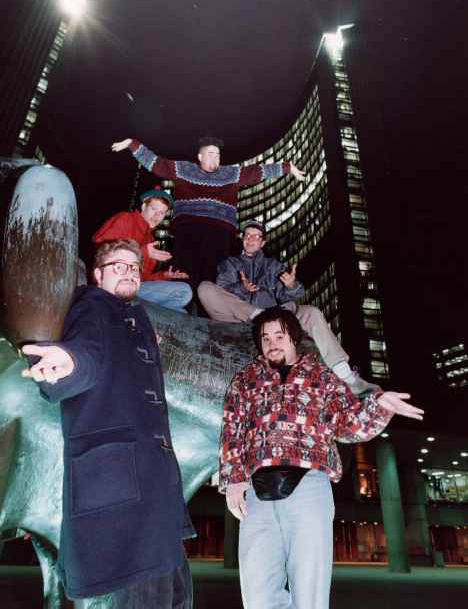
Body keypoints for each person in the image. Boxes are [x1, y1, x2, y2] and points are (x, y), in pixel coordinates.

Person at [22, 239, 195, 607]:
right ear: (98, 274)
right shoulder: (94, 308)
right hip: (126, 497)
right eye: (119, 266)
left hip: (152, 493)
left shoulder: (131, 317)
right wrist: (68, 365)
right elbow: (86, 351)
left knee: (174, 595)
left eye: (134, 267)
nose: (130, 272)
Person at [219, 306, 424, 609]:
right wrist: (233, 480)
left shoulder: (322, 377)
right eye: (266, 338)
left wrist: (380, 404)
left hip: (308, 486)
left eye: (280, 336)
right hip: (257, 494)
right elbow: (232, 429)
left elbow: (349, 424)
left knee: (310, 595)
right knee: (258, 596)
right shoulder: (246, 379)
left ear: (295, 338)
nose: (272, 343)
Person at [198, 220, 380, 395]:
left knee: (312, 312)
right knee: (204, 288)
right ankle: (258, 315)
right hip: (237, 318)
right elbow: (221, 289)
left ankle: (346, 376)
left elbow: (290, 296)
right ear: (242, 239)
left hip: (274, 319)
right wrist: (241, 288)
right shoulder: (229, 264)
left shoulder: (273, 267)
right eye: (247, 235)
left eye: (256, 236)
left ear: (263, 242)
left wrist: (291, 286)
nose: (251, 239)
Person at [111, 136, 306, 293]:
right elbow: (157, 163)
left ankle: (206, 316)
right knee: (185, 274)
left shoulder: (231, 174)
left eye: (218, 155)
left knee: (212, 278)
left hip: (219, 230)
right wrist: (132, 144)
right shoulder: (184, 169)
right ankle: (184, 311)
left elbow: (258, 172)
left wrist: (287, 168)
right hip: (188, 228)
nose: (215, 159)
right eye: (210, 155)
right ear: (200, 156)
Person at [92, 187, 192, 313]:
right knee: (184, 291)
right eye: (153, 209)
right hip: (114, 284)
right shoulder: (125, 219)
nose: (157, 216)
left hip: (136, 287)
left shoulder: (150, 240)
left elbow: (144, 278)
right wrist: (141, 251)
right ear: (144, 207)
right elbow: (101, 247)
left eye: (162, 213)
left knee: (181, 312)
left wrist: (164, 276)